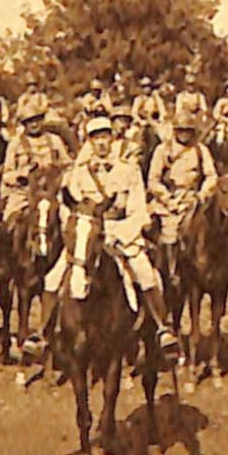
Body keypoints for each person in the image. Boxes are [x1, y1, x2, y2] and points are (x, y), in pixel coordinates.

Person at [42, 116, 180, 352]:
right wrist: (79, 233)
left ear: (113, 139)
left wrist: (119, 232)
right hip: (87, 237)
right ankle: (42, 334)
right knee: (53, 278)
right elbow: (67, 209)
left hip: (120, 235)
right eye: (96, 138)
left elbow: (138, 210)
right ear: (90, 142)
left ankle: (162, 328)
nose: (101, 143)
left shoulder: (129, 171)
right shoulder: (79, 173)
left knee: (146, 274)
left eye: (105, 137)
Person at [147, 108, 218, 246]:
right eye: (181, 130)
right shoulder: (163, 150)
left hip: (192, 198)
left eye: (188, 130)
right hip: (169, 198)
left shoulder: (200, 150)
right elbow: (153, 180)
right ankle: (168, 264)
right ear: (175, 130)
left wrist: (203, 193)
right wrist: (167, 198)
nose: (184, 134)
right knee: (165, 232)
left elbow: (211, 175)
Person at [0, 92, 71, 226]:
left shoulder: (55, 140)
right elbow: (7, 175)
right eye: (29, 121)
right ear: (24, 124)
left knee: (68, 222)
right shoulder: (15, 144)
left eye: (37, 119)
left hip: (52, 194)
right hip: (24, 194)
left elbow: (68, 166)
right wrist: (21, 175)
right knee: (11, 223)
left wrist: (59, 174)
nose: (34, 124)